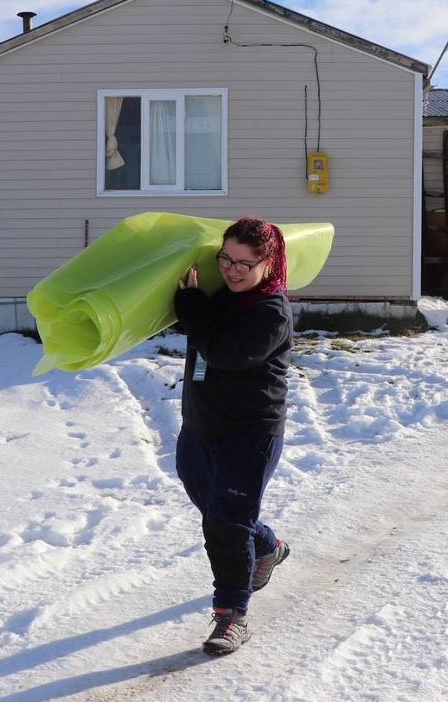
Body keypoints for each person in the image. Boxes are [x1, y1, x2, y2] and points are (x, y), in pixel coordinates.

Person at [174, 216, 293, 655]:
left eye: (246, 262)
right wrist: (191, 308)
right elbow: (199, 328)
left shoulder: (270, 309)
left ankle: (231, 616)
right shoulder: (222, 298)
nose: (233, 269)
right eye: (226, 258)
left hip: (248, 432)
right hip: (201, 425)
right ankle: (267, 545)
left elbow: (227, 352)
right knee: (216, 506)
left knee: (223, 524)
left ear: (269, 261)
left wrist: (193, 314)